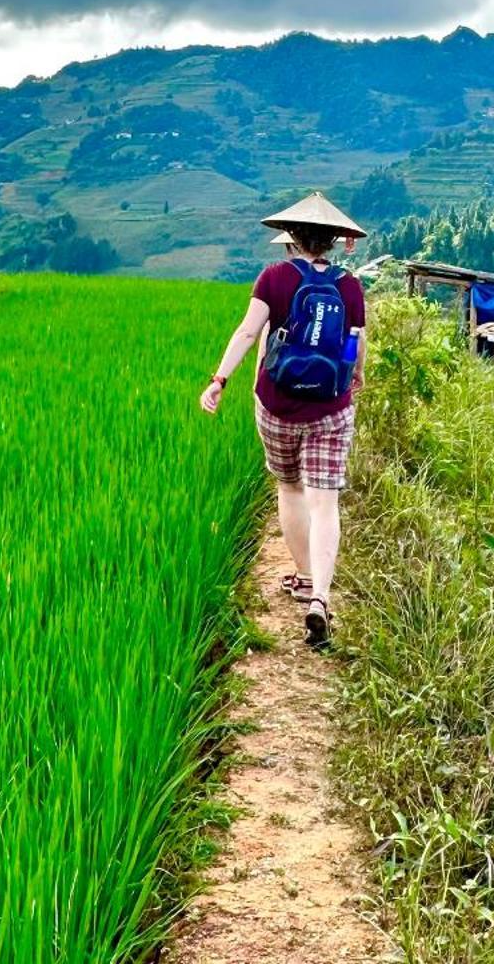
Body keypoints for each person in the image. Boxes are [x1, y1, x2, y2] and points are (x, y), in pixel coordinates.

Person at [199, 192, 367, 648]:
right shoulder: (350, 286)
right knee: (325, 501)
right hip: (331, 407)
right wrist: (356, 382)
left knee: (290, 487)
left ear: (290, 235)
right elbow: (354, 345)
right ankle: (322, 599)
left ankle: (305, 576)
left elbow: (249, 331)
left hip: (277, 404)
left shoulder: (273, 277)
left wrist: (219, 380)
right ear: (334, 240)